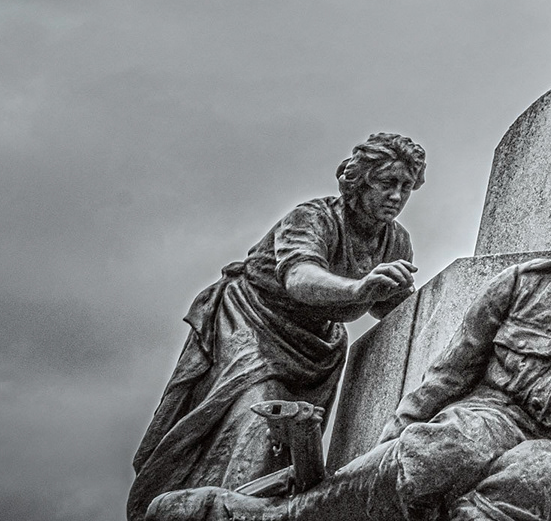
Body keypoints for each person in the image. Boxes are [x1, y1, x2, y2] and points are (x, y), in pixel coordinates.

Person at [145, 166, 551, 521]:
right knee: (453, 440)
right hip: (494, 416)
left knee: (539, 472)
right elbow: (446, 378)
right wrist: (393, 451)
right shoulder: (524, 286)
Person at [129, 134, 426, 521]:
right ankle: (212, 507)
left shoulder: (395, 241)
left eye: (406, 186)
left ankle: (259, 510)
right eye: (387, 183)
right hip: (253, 322)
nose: (397, 196)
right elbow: (299, 277)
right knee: (257, 416)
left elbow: (395, 307)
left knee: (291, 442)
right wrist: (359, 288)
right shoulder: (314, 217)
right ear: (360, 181)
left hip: (316, 349)